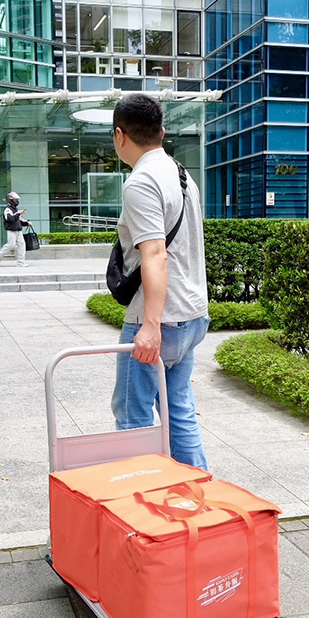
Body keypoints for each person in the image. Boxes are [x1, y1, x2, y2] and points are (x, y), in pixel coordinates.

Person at [110, 94, 210, 470]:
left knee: (133, 416)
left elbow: (155, 254)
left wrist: (150, 326)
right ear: (162, 132)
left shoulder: (141, 182)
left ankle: (142, 507)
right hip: (192, 316)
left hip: (158, 322)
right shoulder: (183, 175)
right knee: (179, 409)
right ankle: (199, 497)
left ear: (120, 136)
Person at [0, 191, 30, 267]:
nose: (16, 201)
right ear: (10, 200)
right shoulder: (7, 210)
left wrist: (27, 223)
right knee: (11, 245)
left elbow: (20, 220)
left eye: (17, 200)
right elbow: (10, 219)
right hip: (11, 230)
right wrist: (18, 214)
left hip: (18, 230)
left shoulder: (16, 210)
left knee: (22, 245)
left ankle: (20, 262)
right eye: (15, 200)